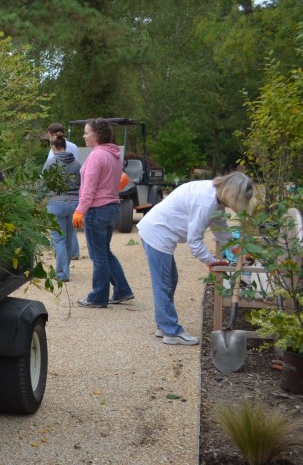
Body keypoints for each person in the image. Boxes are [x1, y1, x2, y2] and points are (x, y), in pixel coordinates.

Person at [137, 172, 255, 345]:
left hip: (158, 232)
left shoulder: (215, 196)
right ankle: (171, 331)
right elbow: (194, 242)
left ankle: (163, 325)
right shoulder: (205, 202)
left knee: (169, 280)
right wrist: (211, 261)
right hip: (157, 234)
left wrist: (238, 252)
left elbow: (221, 230)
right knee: (164, 283)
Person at [75, 117, 134, 308]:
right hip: (111, 208)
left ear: (97, 135)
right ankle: (122, 291)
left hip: (97, 210)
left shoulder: (96, 156)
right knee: (105, 253)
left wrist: (79, 210)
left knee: (98, 256)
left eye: (86, 132)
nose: (84, 136)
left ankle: (98, 297)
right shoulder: (114, 154)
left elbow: (89, 188)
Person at [43, 135, 81, 281]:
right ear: (65, 146)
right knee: (69, 238)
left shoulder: (50, 162)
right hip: (74, 203)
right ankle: (65, 269)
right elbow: (82, 183)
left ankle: (62, 273)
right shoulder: (77, 164)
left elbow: (44, 183)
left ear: (53, 148)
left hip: (56, 203)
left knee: (58, 239)